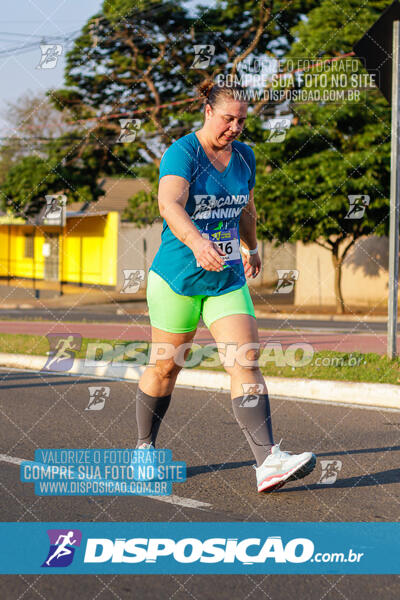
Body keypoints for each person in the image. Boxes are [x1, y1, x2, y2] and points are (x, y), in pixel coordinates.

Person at [135, 80, 316, 493]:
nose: (235, 127)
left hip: (226, 277)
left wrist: (252, 248)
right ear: (207, 111)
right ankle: (144, 449)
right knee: (166, 365)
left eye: (242, 121)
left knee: (245, 359)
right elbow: (170, 205)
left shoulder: (245, 157)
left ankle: (267, 461)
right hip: (177, 277)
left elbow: (246, 208)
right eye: (227, 118)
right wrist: (198, 242)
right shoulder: (183, 153)